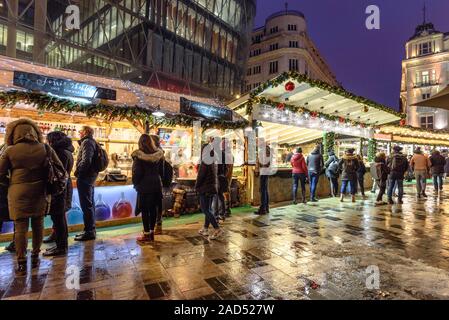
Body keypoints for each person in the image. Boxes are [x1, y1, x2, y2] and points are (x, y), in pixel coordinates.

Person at [0, 118, 63, 275]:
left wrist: (9, 183)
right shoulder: (45, 148)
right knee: (38, 225)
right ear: (35, 132)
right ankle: (35, 256)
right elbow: (60, 169)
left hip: (17, 193)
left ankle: (21, 262)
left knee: (20, 228)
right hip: (40, 192)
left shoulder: (9, 151)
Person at [43, 131, 74, 256]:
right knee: (59, 216)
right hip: (65, 185)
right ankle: (59, 242)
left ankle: (61, 247)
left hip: (59, 187)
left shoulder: (58, 152)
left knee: (58, 217)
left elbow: (55, 172)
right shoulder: (67, 151)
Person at [132, 134, 164, 243]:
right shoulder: (158, 155)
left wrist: (136, 184)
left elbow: (137, 173)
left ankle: (146, 234)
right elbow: (162, 171)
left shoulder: (139, 156)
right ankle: (151, 233)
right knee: (153, 209)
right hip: (156, 185)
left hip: (144, 186)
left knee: (145, 210)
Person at [74, 126, 100, 241]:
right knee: (89, 204)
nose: (79, 133)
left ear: (85, 132)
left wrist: (78, 172)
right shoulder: (91, 142)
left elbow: (86, 160)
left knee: (86, 205)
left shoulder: (87, 142)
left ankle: (89, 231)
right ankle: (89, 230)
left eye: (80, 131)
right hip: (89, 176)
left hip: (86, 177)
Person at [196, 144, 222, 240]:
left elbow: (200, 177)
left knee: (205, 209)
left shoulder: (205, 161)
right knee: (208, 209)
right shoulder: (214, 160)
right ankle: (206, 228)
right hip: (212, 187)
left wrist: (196, 186)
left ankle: (217, 229)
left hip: (205, 188)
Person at [255, 141, 272, 215]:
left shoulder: (264, 150)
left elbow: (264, 162)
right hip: (266, 171)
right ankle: (266, 208)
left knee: (263, 190)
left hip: (264, 171)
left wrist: (259, 165)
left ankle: (263, 209)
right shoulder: (267, 149)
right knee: (265, 190)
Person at [223, 139, 234, 217]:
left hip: (226, 176)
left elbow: (227, 167)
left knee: (225, 192)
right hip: (228, 176)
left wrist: (224, 176)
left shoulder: (226, 155)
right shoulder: (230, 154)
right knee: (226, 192)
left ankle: (227, 210)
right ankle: (227, 209)